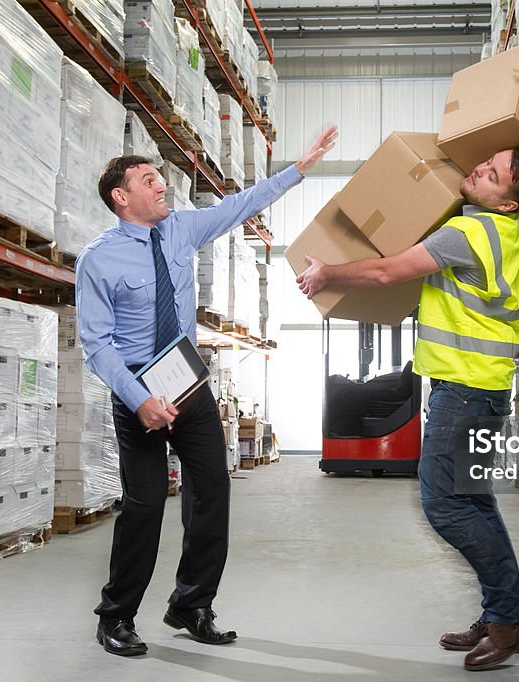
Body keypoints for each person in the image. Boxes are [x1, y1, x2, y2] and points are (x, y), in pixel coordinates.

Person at [77, 126, 338, 657]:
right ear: (120, 198)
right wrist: (139, 401)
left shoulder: (180, 229)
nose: (162, 188)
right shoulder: (97, 260)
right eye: (150, 181)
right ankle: (116, 616)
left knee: (213, 490)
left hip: (188, 384)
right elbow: (97, 345)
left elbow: (241, 206)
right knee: (144, 504)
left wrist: (300, 168)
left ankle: (192, 604)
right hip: (137, 391)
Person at [297, 147, 519, 672]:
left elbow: (390, 273)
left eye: (493, 173)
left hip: (465, 392)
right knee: (476, 504)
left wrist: (328, 274)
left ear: (506, 203)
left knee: (446, 506)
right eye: (488, 161)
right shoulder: (502, 232)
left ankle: (506, 624)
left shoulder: (469, 234)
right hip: (483, 389)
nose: (478, 169)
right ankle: (504, 613)